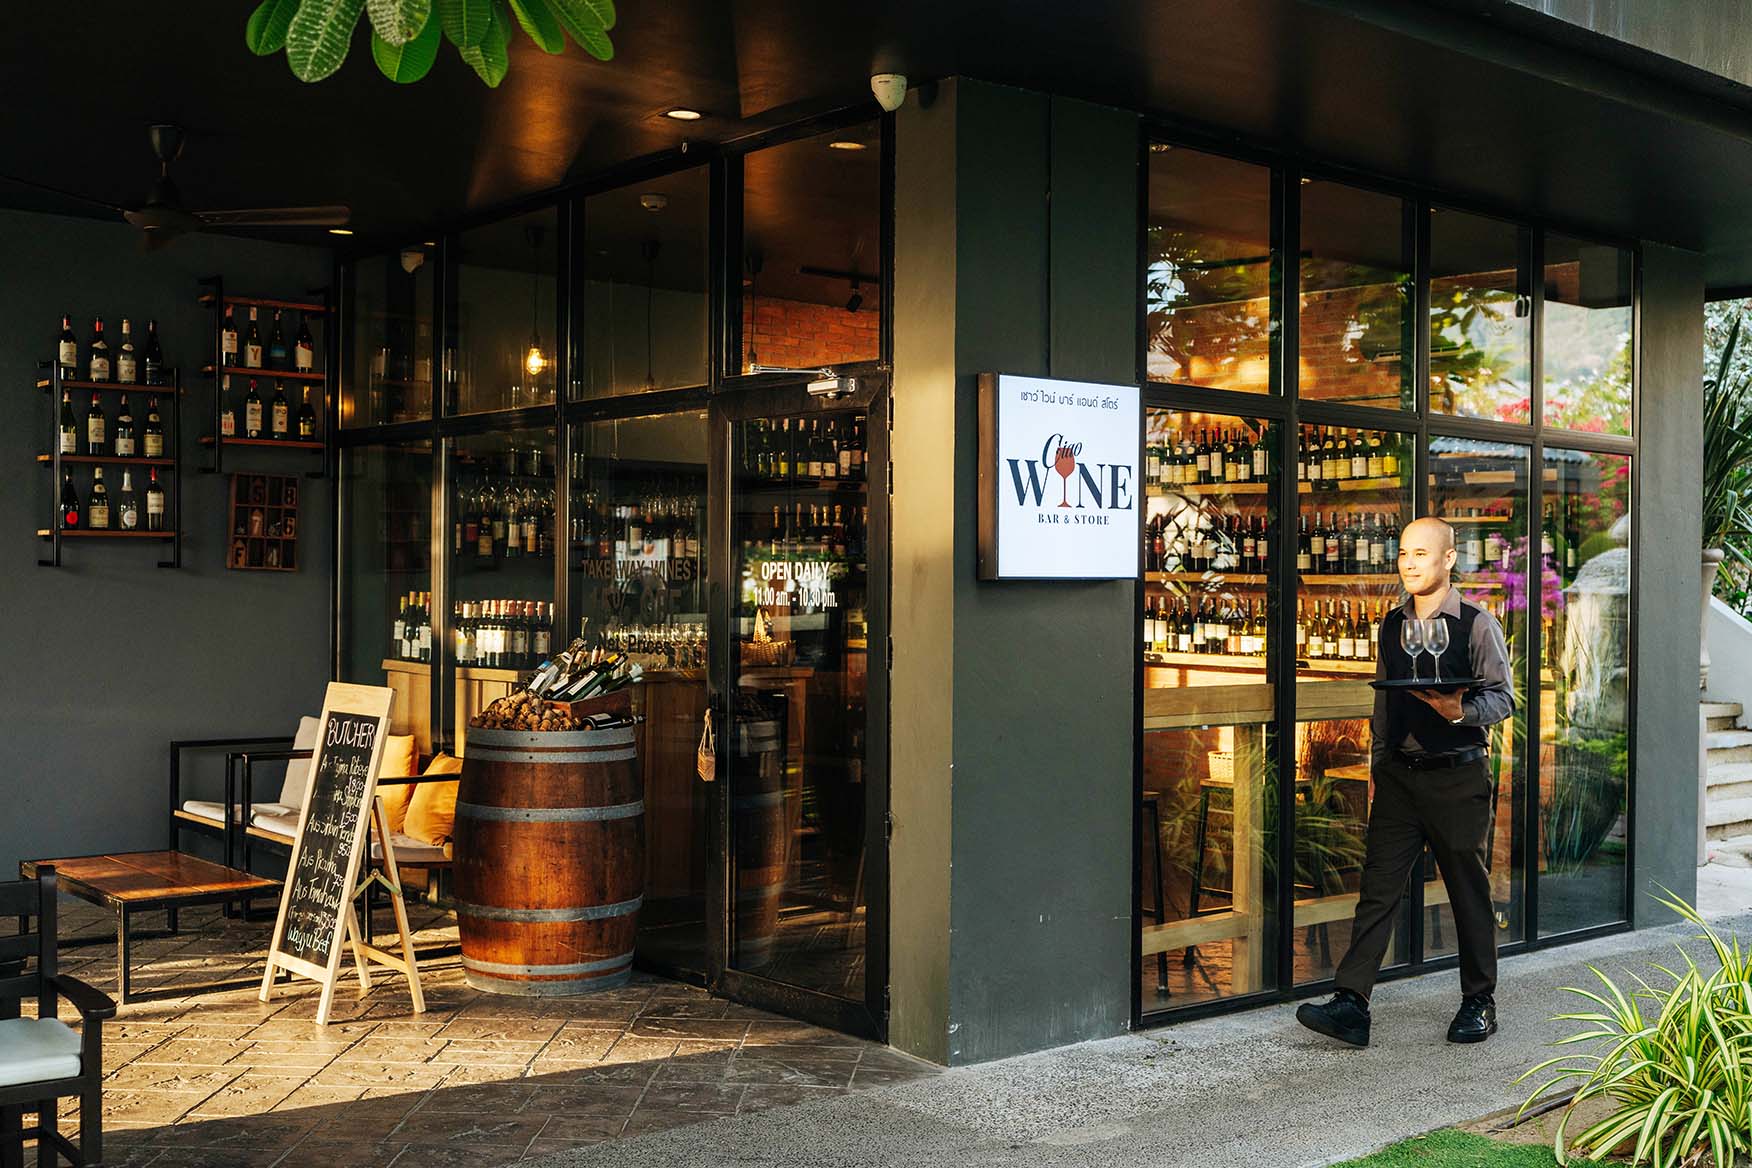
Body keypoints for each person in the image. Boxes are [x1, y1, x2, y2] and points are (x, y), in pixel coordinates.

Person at [1296, 516, 1515, 1048]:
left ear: (1448, 559)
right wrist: (1378, 768)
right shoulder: (1391, 624)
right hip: (1398, 778)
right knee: (1378, 891)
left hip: (1457, 778)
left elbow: (1503, 699)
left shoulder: (1476, 624)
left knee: (1469, 894)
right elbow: (1384, 705)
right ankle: (1352, 1003)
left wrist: (1458, 709)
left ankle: (1479, 1001)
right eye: (1403, 554)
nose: (1410, 563)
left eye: (1422, 553)